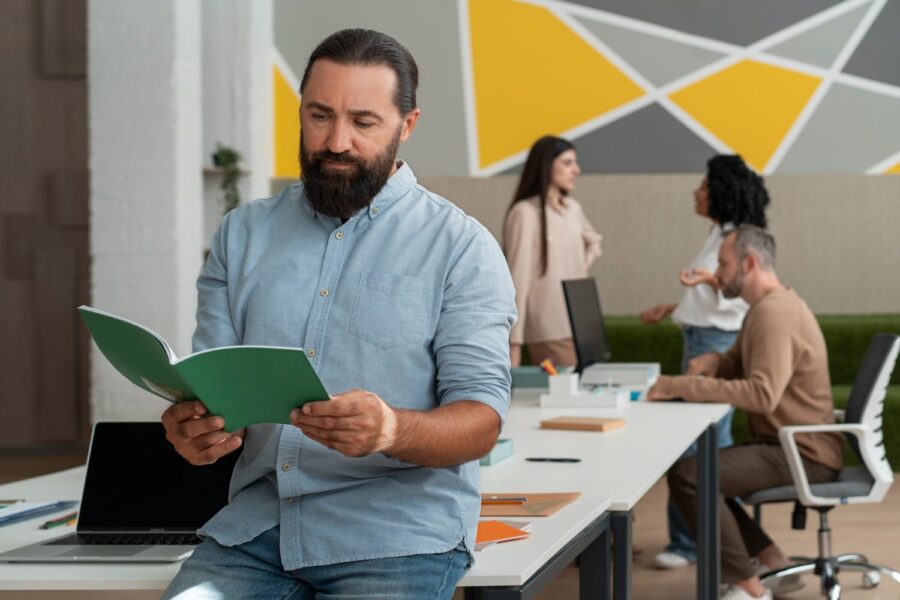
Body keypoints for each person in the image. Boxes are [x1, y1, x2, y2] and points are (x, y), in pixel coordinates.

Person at [160, 29, 516, 600]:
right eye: (319, 116)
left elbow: (482, 421)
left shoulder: (461, 248)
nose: (337, 141)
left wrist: (392, 429)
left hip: (396, 535)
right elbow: (216, 388)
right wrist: (198, 429)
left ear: (408, 124)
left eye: (364, 122)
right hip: (255, 531)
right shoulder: (242, 234)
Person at [647, 225, 843, 600]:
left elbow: (762, 394)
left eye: (723, 263)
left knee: (692, 476)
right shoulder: (765, 308)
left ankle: (748, 588)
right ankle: (772, 562)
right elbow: (739, 363)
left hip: (803, 452)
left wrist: (679, 385)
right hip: (791, 444)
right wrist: (715, 361)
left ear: (749, 263)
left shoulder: (775, 314)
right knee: (696, 474)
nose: (716, 273)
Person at [639, 155, 770, 570]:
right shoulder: (718, 234)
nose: (696, 192)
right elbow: (711, 296)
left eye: (703, 186)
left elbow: (733, 291)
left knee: (699, 450)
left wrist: (706, 281)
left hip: (714, 344)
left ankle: (693, 543)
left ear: (722, 191)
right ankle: (719, 540)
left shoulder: (740, 239)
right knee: (703, 445)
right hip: (699, 336)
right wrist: (674, 307)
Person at [503, 136, 601, 368]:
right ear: (547, 166)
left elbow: (595, 241)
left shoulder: (572, 209)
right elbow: (518, 279)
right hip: (549, 330)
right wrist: (514, 343)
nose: (576, 170)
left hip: (582, 323)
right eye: (567, 163)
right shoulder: (524, 213)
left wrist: (579, 267)